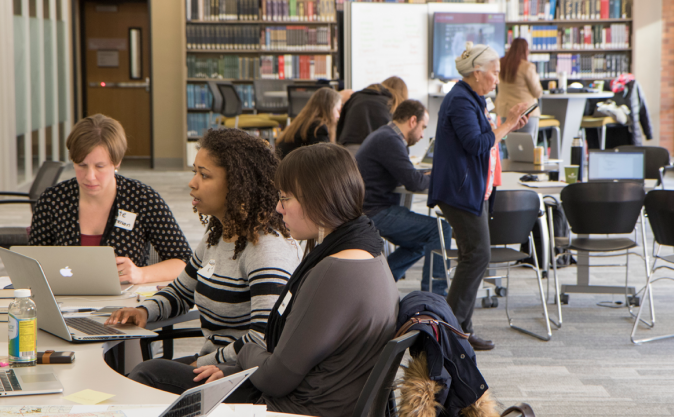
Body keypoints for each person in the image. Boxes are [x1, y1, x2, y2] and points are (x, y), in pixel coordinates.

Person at [189, 144, 398, 416]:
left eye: (285, 198)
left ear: (319, 199)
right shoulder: (370, 251)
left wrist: (245, 352)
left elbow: (276, 379)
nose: (278, 208)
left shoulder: (333, 271)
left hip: (296, 409)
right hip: (325, 400)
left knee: (154, 375)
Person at [109, 129, 302, 379]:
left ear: (237, 184)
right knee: (139, 375)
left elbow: (263, 338)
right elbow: (180, 293)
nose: (193, 183)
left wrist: (204, 362)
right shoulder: (219, 234)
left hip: (239, 375)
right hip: (213, 365)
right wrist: (144, 311)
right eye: (195, 172)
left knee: (146, 373)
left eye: (204, 175)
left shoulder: (267, 248)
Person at [427, 42, 529, 351]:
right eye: (494, 73)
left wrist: (507, 125)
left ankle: (460, 330)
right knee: (477, 255)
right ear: (477, 72)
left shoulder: (472, 98)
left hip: (472, 189)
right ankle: (452, 332)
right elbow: (475, 144)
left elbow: (484, 139)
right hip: (460, 191)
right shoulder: (461, 100)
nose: (498, 78)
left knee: (474, 255)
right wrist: (507, 124)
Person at [29, 114, 191, 284]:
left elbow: (184, 261)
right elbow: (31, 264)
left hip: (126, 298)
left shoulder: (141, 199)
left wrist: (141, 274)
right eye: (81, 165)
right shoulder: (52, 200)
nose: (90, 176)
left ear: (117, 162)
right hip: (64, 297)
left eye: (100, 166)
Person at [355, 99, 452, 295]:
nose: (423, 135)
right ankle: (435, 295)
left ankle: (378, 283)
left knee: (420, 242)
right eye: (423, 127)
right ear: (412, 121)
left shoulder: (385, 135)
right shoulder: (389, 140)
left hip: (370, 208)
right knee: (440, 229)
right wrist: (438, 176)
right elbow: (414, 183)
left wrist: (423, 176)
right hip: (375, 212)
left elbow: (408, 176)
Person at [337, 76, 409, 156]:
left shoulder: (356, 97)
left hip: (347, 149)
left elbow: (340, 126)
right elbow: (397, 137)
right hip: (372, 151)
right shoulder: (390, 104)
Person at [495, 38, 543, 156]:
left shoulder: (501, 63)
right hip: (526, 112)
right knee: (528, 150)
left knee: (509, 148)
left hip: (505, 111)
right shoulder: (527, 66)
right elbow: (537, 93)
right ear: (525, 50)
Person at [275, 87, 342, 158]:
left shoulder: (302, 122)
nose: (338, 115)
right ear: (329, 108)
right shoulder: (318, 127)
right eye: (337, 109)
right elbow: (323, 159)